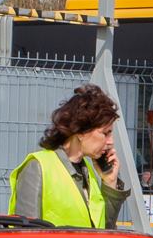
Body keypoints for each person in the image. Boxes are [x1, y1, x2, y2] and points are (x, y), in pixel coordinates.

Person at [8, 84, 129, 229]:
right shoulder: (38, 167)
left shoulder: (88, 173)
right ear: (81, 132)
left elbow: (104, 232)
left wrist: (110, 183)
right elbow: (25, 234)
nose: (110, 141)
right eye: (105, 133)